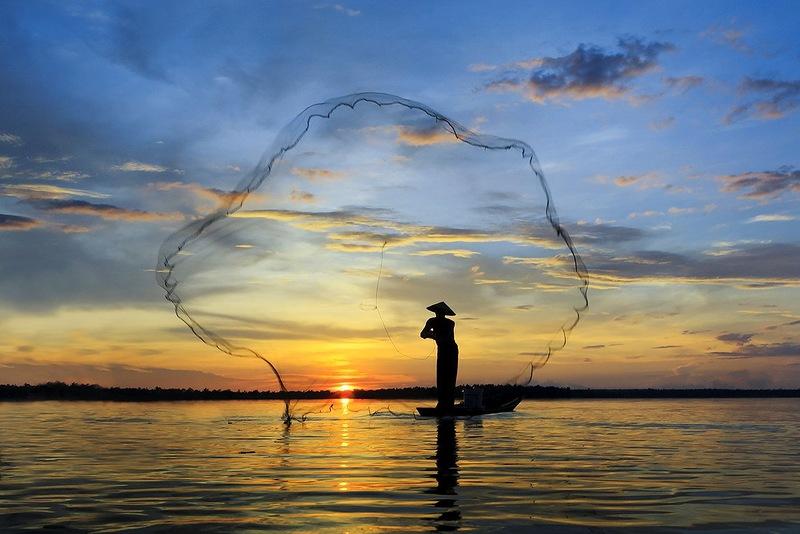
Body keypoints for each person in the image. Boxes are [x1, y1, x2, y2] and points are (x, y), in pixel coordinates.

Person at [420, 301, 458, 412]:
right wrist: (434, 336)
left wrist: (433, 335)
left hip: (450, 349)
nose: (439, 314)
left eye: (440, 312)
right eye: (438, 312)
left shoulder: (450, 323)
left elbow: (443, 337)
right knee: (442, 376)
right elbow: (422, 334)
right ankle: (443, 404)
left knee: (450, 376)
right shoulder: (432, 321)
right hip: (443, 349)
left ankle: (448, 404)